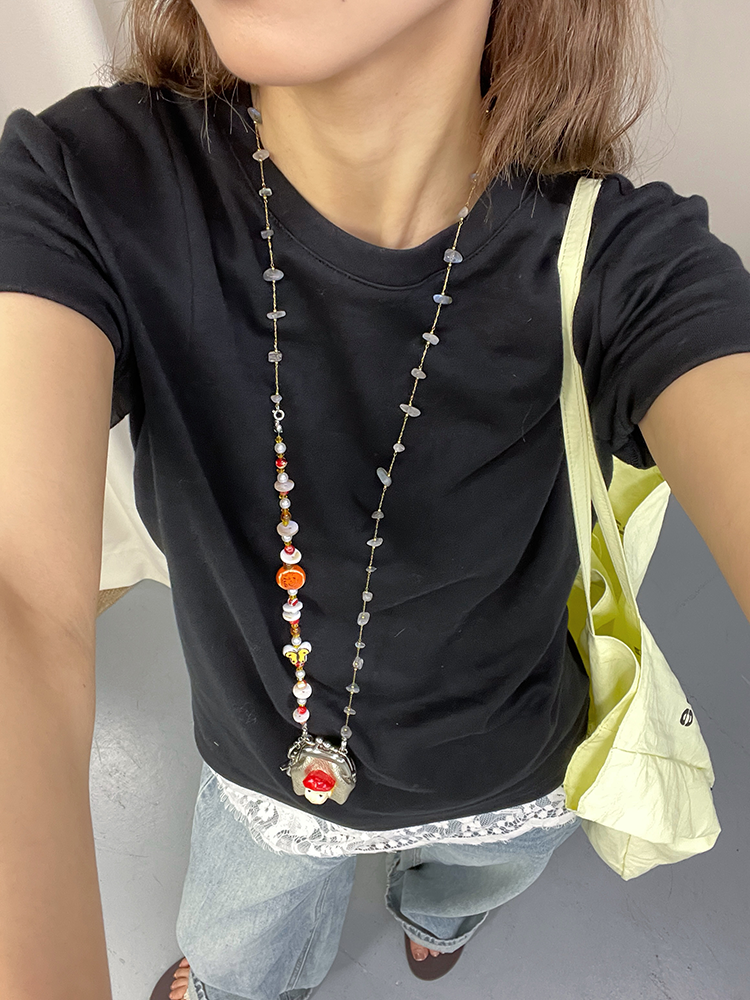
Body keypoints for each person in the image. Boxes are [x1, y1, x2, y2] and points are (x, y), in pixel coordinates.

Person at [1, 1, 750, 999]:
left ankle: (435, 922)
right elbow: (21, 603)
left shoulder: (623, 262)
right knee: (240, 957)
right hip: (263, 781)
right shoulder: (91, 187)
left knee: (463, 886)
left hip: (509, 778)